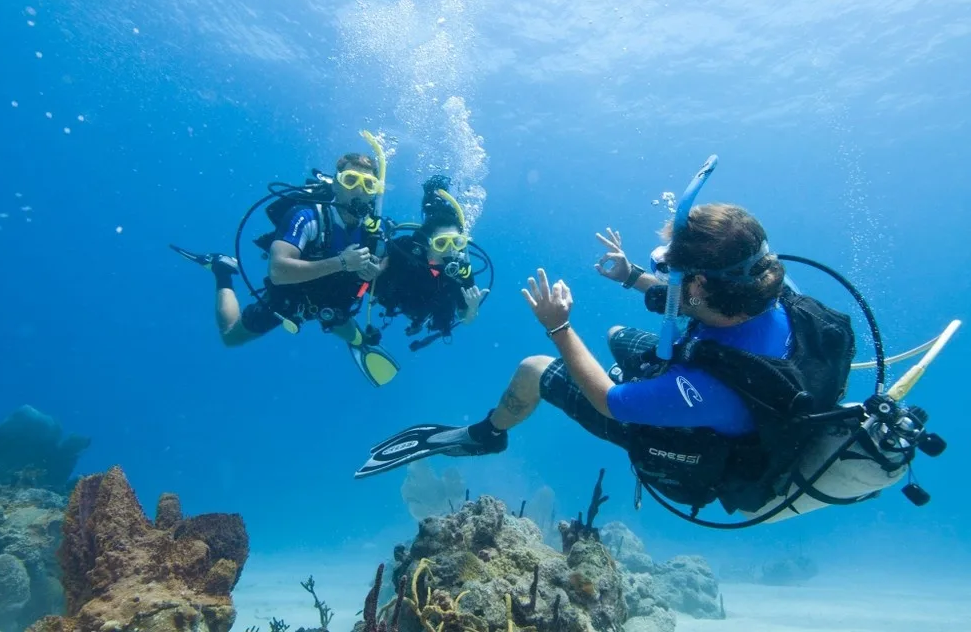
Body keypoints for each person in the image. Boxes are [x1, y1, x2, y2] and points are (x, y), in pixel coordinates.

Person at [356, 181, 948, 527]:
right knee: (618, 333)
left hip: (703, 439)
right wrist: (633, 276)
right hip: (743, 396)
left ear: (700, 288)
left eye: (676, 275)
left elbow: (613, 404)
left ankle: (486, 434)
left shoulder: (706, 388)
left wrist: (559, 329)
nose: (669, 282)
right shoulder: (776, 293)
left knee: (535, 371)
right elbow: (699, 302)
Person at [170, 147, 402, 387]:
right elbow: (278, 272)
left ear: (375, 191)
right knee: (231, 336)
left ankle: (359, 343)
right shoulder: (307, 216)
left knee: (339, 320)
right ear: (336, 184)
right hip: (291, 299)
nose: (359, 190)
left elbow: (385, 258)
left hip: (333, 303)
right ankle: (223, 271)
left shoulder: (375, 228)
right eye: (351, 180)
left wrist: (376, 269)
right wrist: (342, 262)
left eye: (368, 184)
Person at [370, 175, 490, 351]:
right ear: (427, 244)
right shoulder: (406, 251)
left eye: (457, 242)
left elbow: (466, 320)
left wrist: (472, 308)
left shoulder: (462, 272)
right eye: (441, 243)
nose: (450, 250)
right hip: (399, 300)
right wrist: (376, 270)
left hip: (430, 311)